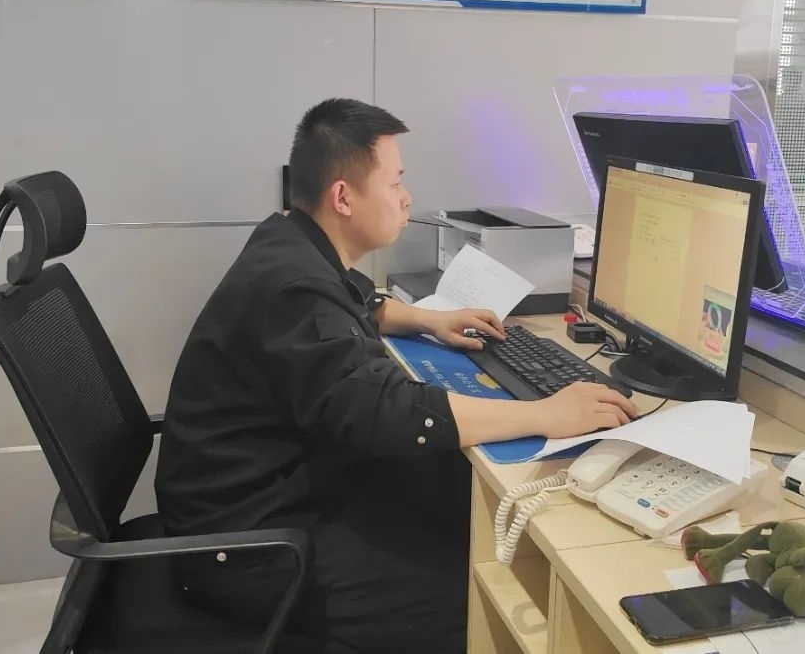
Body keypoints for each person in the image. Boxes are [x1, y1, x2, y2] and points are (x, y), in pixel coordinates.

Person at [155, 98, 636, 653]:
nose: (406, 197)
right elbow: (391, 413)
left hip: (268, 489)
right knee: (478, 594)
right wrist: (543, 413)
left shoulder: (287, 240)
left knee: (449, 496)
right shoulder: (293, 290)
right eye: (395, 182)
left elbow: (351, 301)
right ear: (343, 197)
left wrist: (428, 319)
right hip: (250, 542)